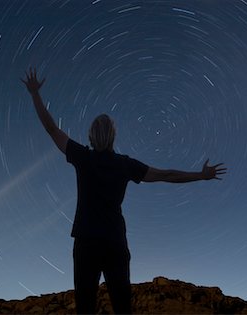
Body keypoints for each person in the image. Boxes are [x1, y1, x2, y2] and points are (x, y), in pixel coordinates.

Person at [21, 67, 227, 314]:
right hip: (114, 241)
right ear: (114, 136)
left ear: (90, 135)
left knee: (85, 305)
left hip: (86, 241)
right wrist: (200, 176)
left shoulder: (82, 157)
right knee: (122, 306)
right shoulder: (125, 165)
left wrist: (35, 94)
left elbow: (51, 128)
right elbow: (165, 175)